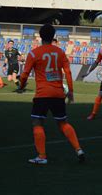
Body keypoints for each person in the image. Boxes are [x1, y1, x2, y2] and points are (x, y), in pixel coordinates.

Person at [19, 24, 84, 164]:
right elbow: (68, 72)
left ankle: (42, 156)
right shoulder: (60, 52)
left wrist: (22, 85)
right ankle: (78, 149)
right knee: (63, 123)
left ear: (40, 36)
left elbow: (24, 74)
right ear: (53, 36)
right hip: (58, 94)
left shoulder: (34, 53)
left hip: (42, 94)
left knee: (37, 122)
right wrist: (70, 91)